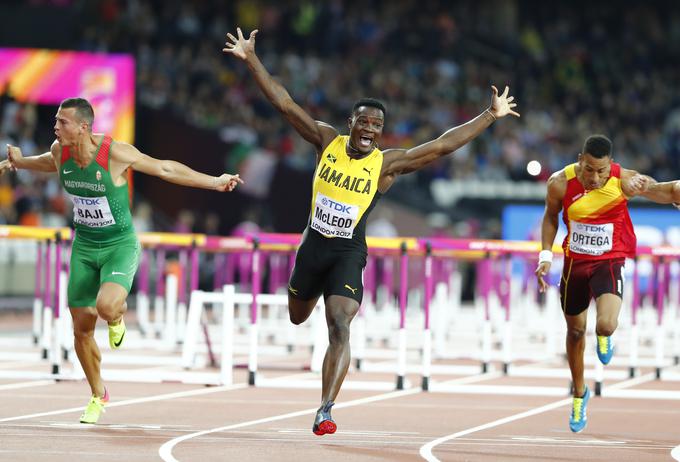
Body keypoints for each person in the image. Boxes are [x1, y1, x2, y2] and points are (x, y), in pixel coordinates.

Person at [223, 27, 519, 436]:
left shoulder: (386, 163)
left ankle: (325, 408)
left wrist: (490, 115)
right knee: (296, 317)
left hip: (348, 254)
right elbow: (285, 104)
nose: (369, 129)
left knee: (340, 326)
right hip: (311, 250)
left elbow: (440, 146)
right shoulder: (326, 139)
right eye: (363, 122)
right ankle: (312, 330)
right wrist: (251, 58)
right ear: (351, 123)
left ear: (381, 132)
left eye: (377, 125)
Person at [0, 97, 243, 424]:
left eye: (63, 122)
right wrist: (21, 161)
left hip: (119, 245)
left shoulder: (114, 153)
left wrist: (213, 181)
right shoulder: (61, 152)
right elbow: (48, 162)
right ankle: (98, 394)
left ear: (84, 126)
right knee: (81, 329)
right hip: (84, 246)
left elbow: (164, 167)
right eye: (56, 121)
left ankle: (116, 318)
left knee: (106, 306)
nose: (55, 126)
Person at [534, 134, 680, 433]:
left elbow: (661, 190)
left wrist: (676, 190)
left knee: (605, 325)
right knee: (575, 332)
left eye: (601, 171)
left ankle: (605, 335)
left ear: (610, 165)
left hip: (609, 260)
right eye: (589, 169)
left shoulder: (623, 180)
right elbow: (550, 217)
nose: (595, 177)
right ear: (580, 160)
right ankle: (578, 393)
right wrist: (546, 254)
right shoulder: (559, 183)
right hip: (574, 263)